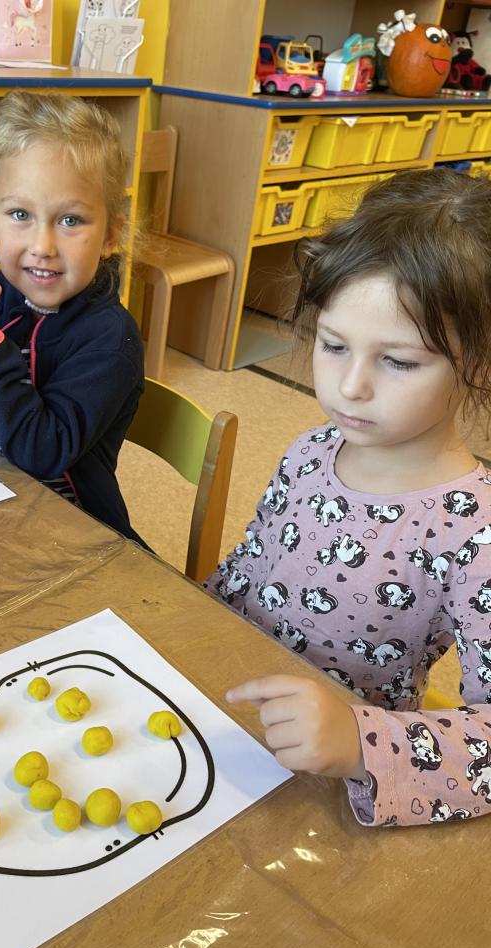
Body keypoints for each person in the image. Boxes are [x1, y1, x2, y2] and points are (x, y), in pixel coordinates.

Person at [204, 168, 491, 827]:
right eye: (334, 346)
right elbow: (248, 568)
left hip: (335, 782)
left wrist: (360, 743)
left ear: (477, 361)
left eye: (398, 361)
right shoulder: (311, 448)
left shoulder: (475, 531)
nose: (350, 387)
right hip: (226, 713)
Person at [0, 90, 145, 543]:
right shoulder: (0, 292)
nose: (42, 246)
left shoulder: (110, 339)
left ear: (111, 235)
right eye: (20, 214)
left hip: (73, 533)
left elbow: (43, 451)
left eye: (70, 220)